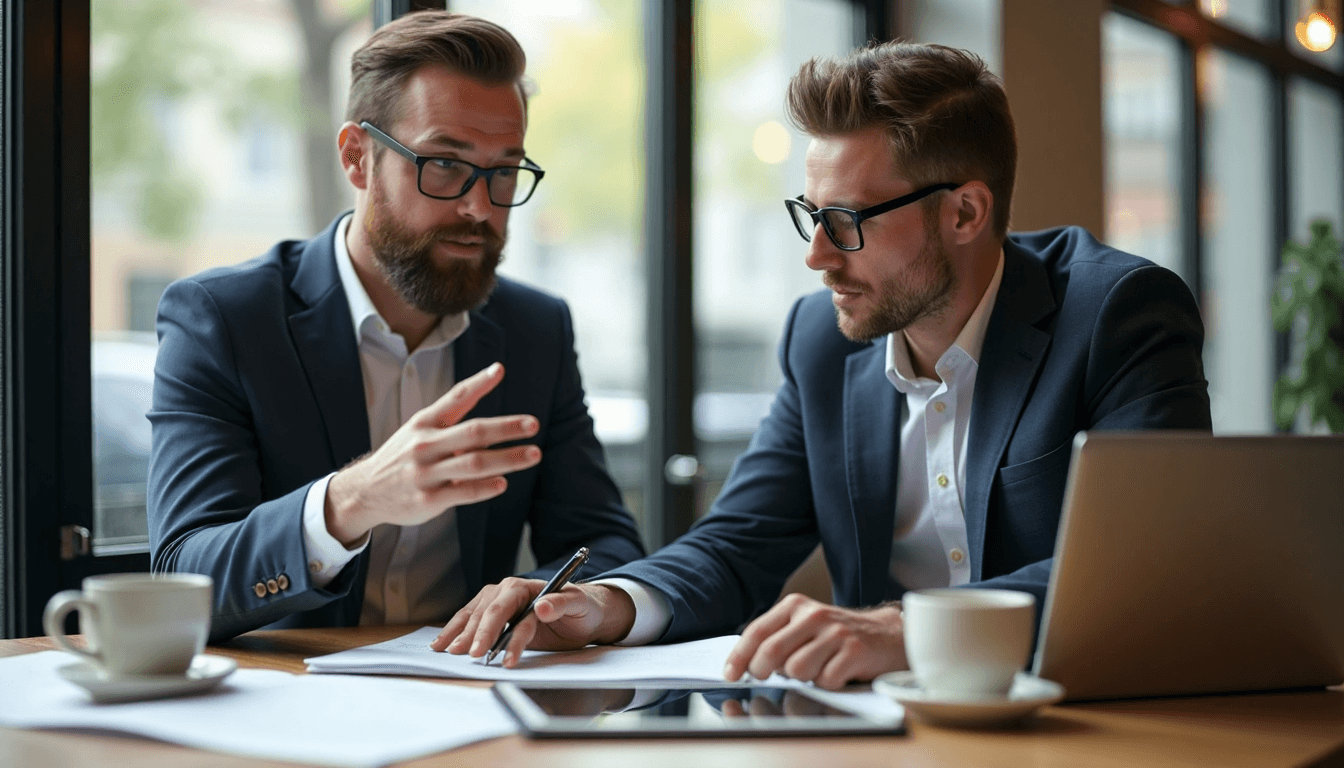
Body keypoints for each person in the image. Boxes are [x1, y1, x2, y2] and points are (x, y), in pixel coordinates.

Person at [433, 41, 1212, 689]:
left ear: (966, 212)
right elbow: (738, 541)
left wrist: (905, 630)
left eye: (845, 222)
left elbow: (1151, 568)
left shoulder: (1118, 314)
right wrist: (604, 605)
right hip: (883, 733)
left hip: (1078, 725)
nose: (816, 256)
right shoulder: (823, 341)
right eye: (811, 215)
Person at [147, 11, 644, 643]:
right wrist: (352, 503)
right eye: (443, 164)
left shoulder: (534, 330)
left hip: (464, 699)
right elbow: (180, 577)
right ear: (358, 157)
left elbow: (604, 541)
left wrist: (550, 595)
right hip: (279, 699)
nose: (479, 206)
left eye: (504, 171)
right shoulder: (224, 319)